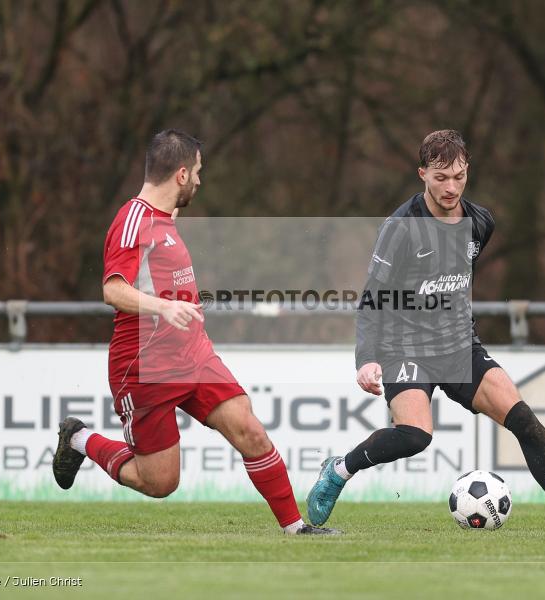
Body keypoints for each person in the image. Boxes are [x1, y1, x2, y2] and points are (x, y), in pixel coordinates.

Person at [306, 129, 545, 530]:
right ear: (422, 174)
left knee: (525, 421)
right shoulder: (400, 228)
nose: (451, 187)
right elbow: (371, 301)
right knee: (415, 436)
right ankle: (338, 470)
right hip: (406, 349)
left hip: (459, 347)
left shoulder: (480, 222)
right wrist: (367, 359)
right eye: (440, 177)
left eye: (459, 176)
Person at [52, 129, 339, 535]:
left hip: (193, 355)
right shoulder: (132, 221)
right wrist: (164, 306)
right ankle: (79, 439)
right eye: (198, 172)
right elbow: (112, 289)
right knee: (160, 481)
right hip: (144, 367)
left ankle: (296, 528)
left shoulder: (165, 219)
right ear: (182, 175)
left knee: (250, 429)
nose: (201, 182)